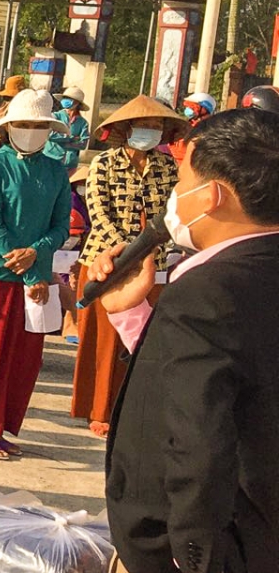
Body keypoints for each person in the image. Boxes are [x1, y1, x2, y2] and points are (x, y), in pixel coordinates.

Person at [84, 107, 279, 573]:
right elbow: (221, 393)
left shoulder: (208, 287)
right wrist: (134, 315)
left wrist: (201, 559)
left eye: (186, 176)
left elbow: (195, 436)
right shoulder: (249, 276)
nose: (176, 192)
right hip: (255, 569)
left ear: (218, 194)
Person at [0, 88, 72, 458]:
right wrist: (22, 265)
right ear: (8, 127)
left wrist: (36, 256)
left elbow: (60, 226)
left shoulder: (55, 170)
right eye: (24, 124)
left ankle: (0, 425)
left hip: (36, 273)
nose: (31, 130)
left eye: (39, 125)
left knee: (24, 358)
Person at [72, 95, 184, 438]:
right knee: (106, 342)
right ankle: (100, 410)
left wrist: (147, 249)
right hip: (105, 262)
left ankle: (134, 406)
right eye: (145, 125)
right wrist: (127, 253)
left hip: (156, 260)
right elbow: (98, 215)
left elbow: (170, 214)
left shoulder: (167, 168)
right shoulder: (103, 164)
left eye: (157, 126)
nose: (151, 131)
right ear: (126, 128)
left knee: (143, 343)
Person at [49, 85, 91, 170]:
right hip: (51, 158)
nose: (65, 100)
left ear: (77, 103)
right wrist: (71, 138)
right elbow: (50, 134)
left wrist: (61, 140)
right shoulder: (55, 116)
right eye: (64, 98)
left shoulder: (83, 123)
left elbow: (83, 144)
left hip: (70, 164)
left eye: (69, 98)